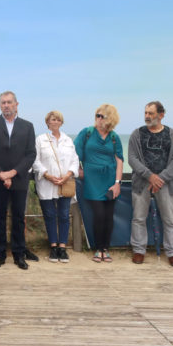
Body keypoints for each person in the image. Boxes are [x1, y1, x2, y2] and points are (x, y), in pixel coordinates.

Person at [0, 91, 36, 270]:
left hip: (19, 179)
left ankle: (19, 254)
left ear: (16, 104)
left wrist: (12, 173)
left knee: (19, 218)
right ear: (0, 105)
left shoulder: (27, 126)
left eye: (9, 102)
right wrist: (0, 173)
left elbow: (30, 154)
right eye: (3, 103)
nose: (6, 105)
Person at [128, 101, 173, 267]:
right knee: (138, 218)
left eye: (151, 113)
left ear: (161, 115)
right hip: (142, 182)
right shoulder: (136, 134)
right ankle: (139, 250)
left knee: (170, 219)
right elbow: (132, 159)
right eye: (145, 113)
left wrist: (161, 179)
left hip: (165, 183)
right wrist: (149, 176)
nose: (147, 116)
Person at [75, 104, 124, 263]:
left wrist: (117, 183)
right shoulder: (87, 133)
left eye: (102, 116)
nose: (98, 119)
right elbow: (74, 153)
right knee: (99, 214)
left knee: (108, 216)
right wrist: (79, 170)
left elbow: (119, 160)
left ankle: (105, 249)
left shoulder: (114, 137)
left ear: (110, 119)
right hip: (92, 180)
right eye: (97, 115)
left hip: (110, 179)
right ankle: (98, 249)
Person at [32, 110, 79, 263]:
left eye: (58, 119)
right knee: (50, 215)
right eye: (52, 119)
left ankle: (63, 247)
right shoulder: (41, 140)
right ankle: (53, 246)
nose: (55, 122)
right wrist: (47, 175)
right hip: (46, 183)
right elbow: (35, 160)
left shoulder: (68, 140)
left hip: (65, 183)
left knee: (64, 215)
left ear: (61, 122)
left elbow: (75, 160)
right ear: (47, 122)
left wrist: (67, 175)